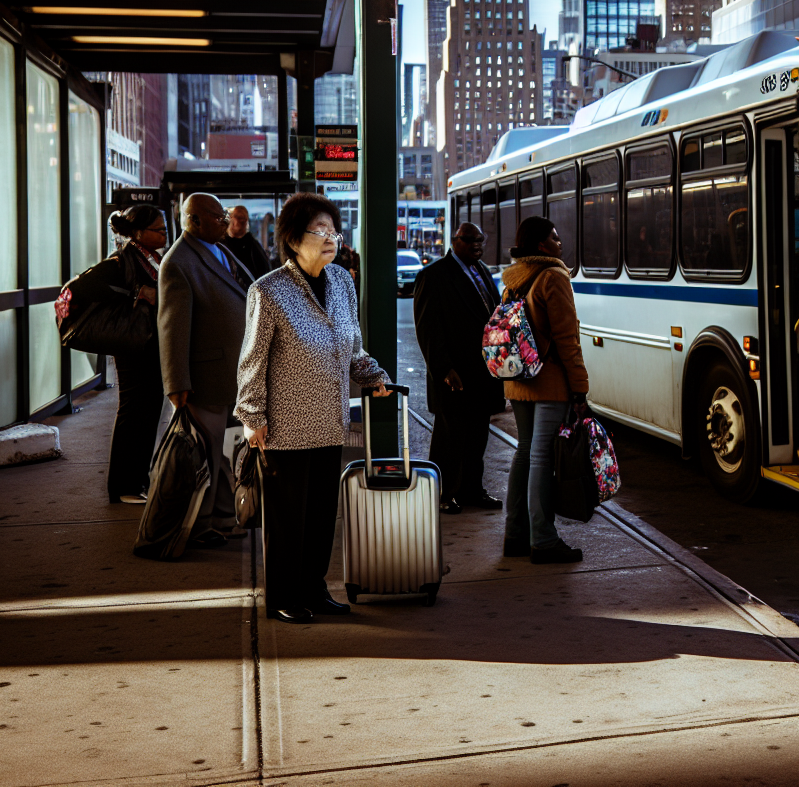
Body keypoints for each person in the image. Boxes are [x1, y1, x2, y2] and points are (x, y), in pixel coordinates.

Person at [235, 192, 393, 624]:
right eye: (319, 232)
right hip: (283, 430)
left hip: (329, 423)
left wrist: (372, 375)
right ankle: (285, 595)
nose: (330, 239)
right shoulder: (267, 292)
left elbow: (353, 347)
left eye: (333, 231)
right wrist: (252, 418)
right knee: (287, 522)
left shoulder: (341, 281)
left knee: (322, 518)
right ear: (292, 239)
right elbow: (252, 360)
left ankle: (314, 589)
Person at [157, 192, 252, 547]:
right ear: (193, 220)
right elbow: (172, 327)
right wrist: (177, 381)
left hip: (231, 374)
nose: (225, 222)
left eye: (225, 215)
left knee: (227, 452)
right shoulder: (177, 262)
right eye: (218, 217)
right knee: (207, 455)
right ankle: (199, 525)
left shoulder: (219, 249)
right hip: (203, 378)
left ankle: (224, 517)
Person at [498, 216, 590, 564]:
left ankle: (516, 535)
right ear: (541, 245)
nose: (560, 241)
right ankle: (544, 540)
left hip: (519, 380)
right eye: (554, 237)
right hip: (549, 380)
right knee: (539, 458)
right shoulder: (553, 276)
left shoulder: (514, 280)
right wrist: (579, 386)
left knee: (524, 453)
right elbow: (568, 338)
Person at [413, 222, 505, 514]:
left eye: (481, 240)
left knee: (478, 436)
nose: (477, 245)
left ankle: (471, 490)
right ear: (455, 241)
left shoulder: (483, 271)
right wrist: (443, 369)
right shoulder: (434, 275)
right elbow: (428, 329)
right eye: (470, 240)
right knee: (449, 438)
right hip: (454, 374)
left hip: (483, 372)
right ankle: (443, 494)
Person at [92, 205, 168, 504]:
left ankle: (137, 480)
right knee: (135, 412)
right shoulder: (123, 258)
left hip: (148, 345)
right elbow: (90, 287)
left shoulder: (149, 257)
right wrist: (139, 292)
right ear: (139, 232)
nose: (164, 233)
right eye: (158, 229)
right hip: (133, 347)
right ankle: (123, 486)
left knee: (148, 412)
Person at [223, 205, 272, 280]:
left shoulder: (253, 246)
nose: (241, 221)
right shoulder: (221, 245)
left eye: (243, 218)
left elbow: (264, 273)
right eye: (238, 217)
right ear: (231, 219)